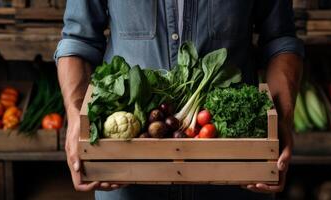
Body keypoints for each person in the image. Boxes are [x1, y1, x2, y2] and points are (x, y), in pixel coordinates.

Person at [55, 1, 304, 199]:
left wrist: (282, 117)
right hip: (127, 174)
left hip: (236, 174)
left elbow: (280, 41)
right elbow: (79, 40)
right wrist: (76, 115)